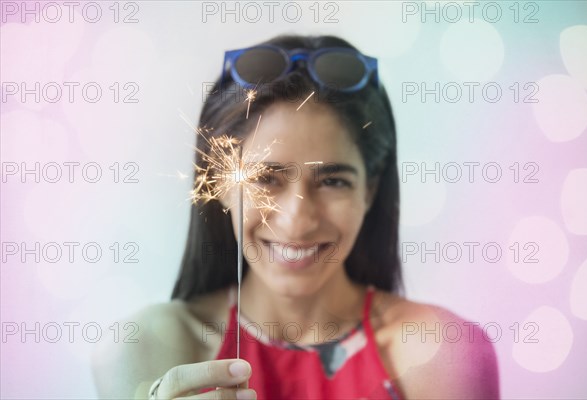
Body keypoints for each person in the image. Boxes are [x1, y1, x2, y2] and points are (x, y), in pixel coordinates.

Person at [92, 35, 499, 399]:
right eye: (266, 178)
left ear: (370, 190)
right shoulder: (146, 348)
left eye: (333, 181)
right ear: (221, 184)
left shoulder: (442, 352)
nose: (297, 219)